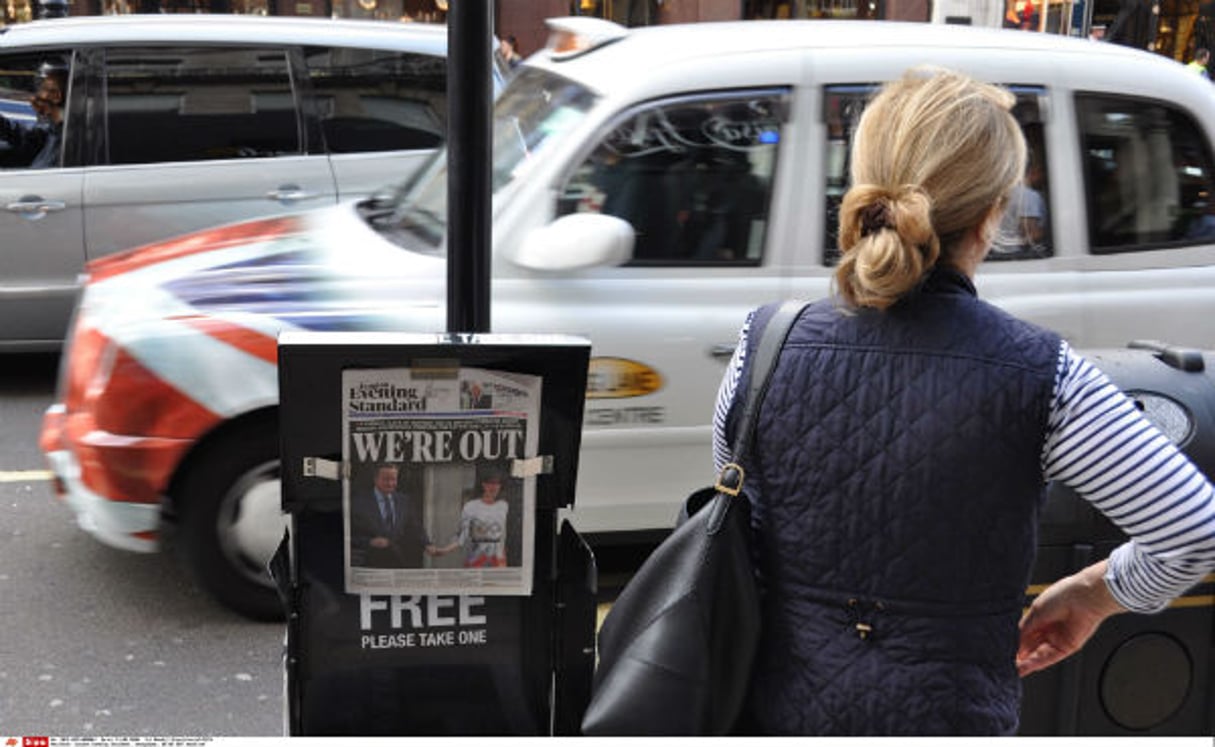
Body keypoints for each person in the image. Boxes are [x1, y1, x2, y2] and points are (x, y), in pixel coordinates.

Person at [712, 67, 1215, 735]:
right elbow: (1194, 530)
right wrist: (1093, 594)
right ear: (994, 212)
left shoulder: (764, 343)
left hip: (774, 713)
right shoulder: (1043, 374)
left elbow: (737, 528)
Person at [349, 463, 438, 568]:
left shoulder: (404, 501)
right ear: (375, 479)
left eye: (394, 479)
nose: (390, 484)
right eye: (386, 479)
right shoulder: (359, 502)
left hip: (398, 561)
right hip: (367, 561)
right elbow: (350, 533)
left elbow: (416, 527)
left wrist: (427, 544)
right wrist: (369, 542)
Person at [435, 467, 510, 567]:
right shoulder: (470, 507)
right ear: (483, 484)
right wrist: (445, 550)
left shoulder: (503, 505)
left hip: (498, 561)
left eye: (497, 483)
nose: (494, 487)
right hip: (476, 560)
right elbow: (462, 536)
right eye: (490, 483)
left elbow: (503, 535)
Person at [0, 61, 67, 169]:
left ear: (56, 97)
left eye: (43, 88)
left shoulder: (61, 142)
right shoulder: (53, 130)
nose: (37, 94)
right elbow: (27, 136)